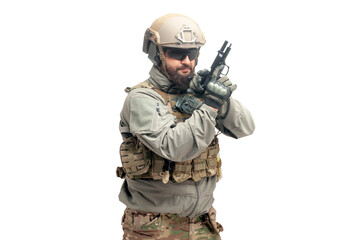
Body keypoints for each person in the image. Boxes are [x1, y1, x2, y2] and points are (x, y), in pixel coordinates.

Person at [116, 13, 255, 240]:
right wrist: (210, 104)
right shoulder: (142, 99)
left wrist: (221, 99)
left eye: (192, 54)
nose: (187, 61)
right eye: (177, 53)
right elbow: (175, 148)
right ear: (156, 54)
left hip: (203, 223)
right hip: (154, 228)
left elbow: (245, 127)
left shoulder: (199, 94)